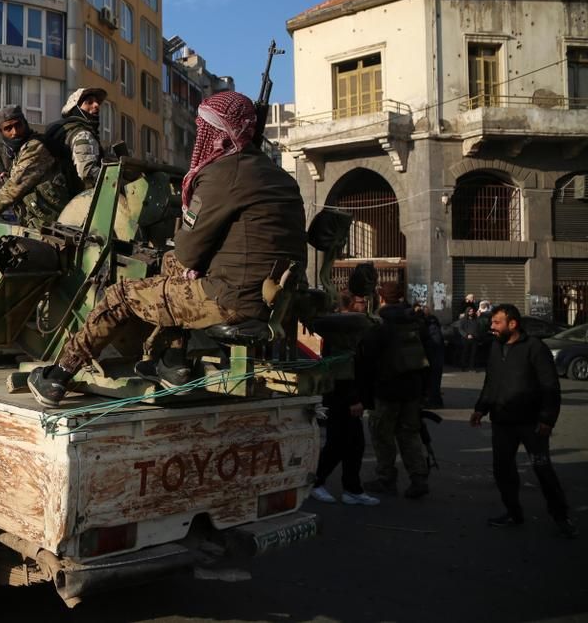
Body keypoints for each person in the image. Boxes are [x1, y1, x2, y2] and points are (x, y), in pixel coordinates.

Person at [27, 91, 307, 406]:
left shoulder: (223, 174)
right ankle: (174, 362)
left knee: (121, 295)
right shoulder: (280, 176)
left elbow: (189, 253)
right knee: (171, 264)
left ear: (216, 131)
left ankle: (58, 376)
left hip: (232, 299)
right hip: (275, 297)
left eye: (204, 129)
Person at [471, 304, 576, 538]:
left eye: (497, 322)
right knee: (503, 470)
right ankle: (513, 512)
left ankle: (561, 516)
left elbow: (550, 386)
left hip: (532, 424)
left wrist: (547, 419)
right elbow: (491, 382)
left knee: (542, 469)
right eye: (492, 322)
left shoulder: (535, 348)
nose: (492, 327)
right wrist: (480, 408)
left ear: (513, 324)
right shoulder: (496, 347)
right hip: (502, 422)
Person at [360, 281, 431, 499]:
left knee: (382, 435)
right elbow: (429, 355)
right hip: (412, 389)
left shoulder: (379, 325)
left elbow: (367, 360)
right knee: (409, 434)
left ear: (381, 298)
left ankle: (386, 478)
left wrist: (364, 393)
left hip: (386, 389)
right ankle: (418, 478)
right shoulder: (416, 322)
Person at [311, 291, 380, 506]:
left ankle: (351, 488)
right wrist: (353, 399)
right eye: (361, 301)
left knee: (353, 445)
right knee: (338, 444)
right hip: (340, 396)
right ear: (349, 304)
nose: (365, 304)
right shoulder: (341, 328)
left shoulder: (351, 326)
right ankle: (317, 482)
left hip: (348, 394)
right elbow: (342, 369)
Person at [0, 104, 70, 227]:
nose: (15, 132)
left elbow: (15, 187)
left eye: (18, 125)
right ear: (1, 131)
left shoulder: (36, 146)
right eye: (8, 128)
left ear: (25, 123)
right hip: (41, 224)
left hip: (56, 224)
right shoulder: (20, 151)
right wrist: (9, 176)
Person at [44, 87, 107, 189]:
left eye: (97, 102)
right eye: (89, 102)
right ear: (76, 109)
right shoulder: (82, 134)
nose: (96, 105)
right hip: (79, 195)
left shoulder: (65, 131)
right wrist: (114, 180)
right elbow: (88, 172)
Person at [421, 305, 445, 407]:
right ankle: (434, 400)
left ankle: (434, 402)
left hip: (433, 358)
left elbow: (436, 342)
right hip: (435, 358)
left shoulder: (431, 326)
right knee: (434, 381)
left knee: (433, 381)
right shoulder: (433, 324)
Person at [456, 305, 479, 372]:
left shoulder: (476, 320)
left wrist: (475, 335)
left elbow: (478, 329)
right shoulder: (463, 320)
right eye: (470, 311)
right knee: (465, 353)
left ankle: (472, 367)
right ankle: (463, 367)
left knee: (473, 354)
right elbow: (460, 329)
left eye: (472, 311)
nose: (471, 312)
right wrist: (466, 335)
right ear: (467, 312)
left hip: (474, 339)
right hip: (465, 339)